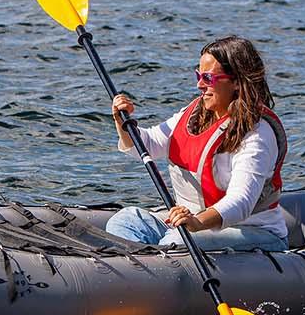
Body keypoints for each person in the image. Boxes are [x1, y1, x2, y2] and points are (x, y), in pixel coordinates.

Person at [105, 35, 289, 252]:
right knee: (125, 220)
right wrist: (122, 122)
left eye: (208, 78)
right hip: (189, 226)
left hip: (251, 232)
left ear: (237, 82)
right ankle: (141, 270)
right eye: (198, 75)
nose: (199, 84)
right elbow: (148, 145)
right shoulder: (194, 114)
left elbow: (241, 202)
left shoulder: (257, 135)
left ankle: (156, 267)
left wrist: (197, 223)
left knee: (177, 244)